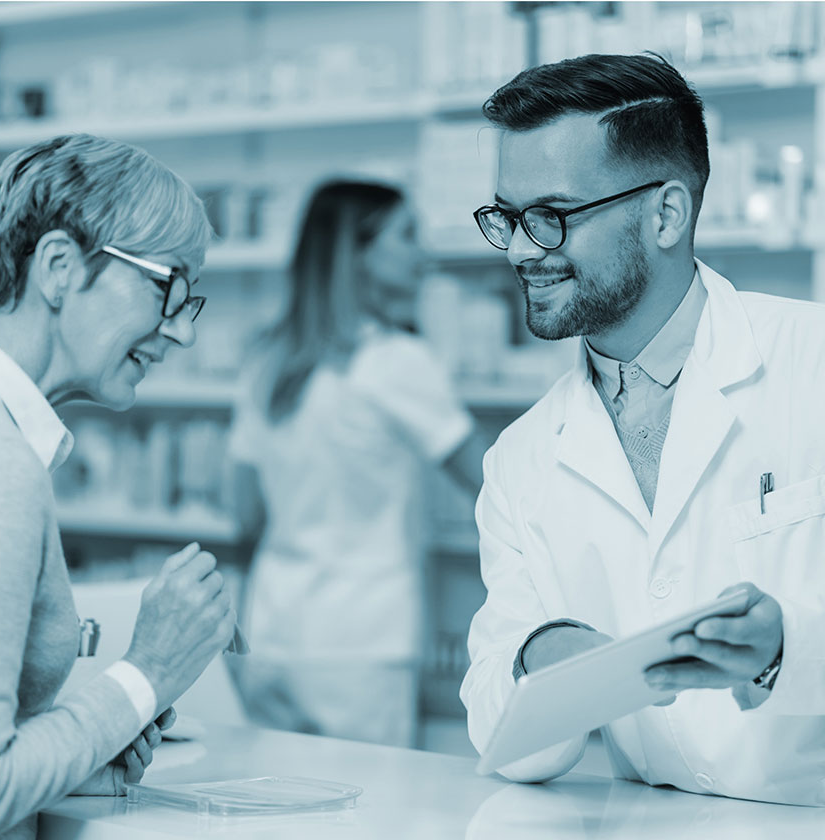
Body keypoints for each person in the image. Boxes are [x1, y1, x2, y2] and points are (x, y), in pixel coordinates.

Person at [461, 52, 825, 806]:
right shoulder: (522, 459)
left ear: (665, 214)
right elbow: (505, 743)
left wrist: (783, 647)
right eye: (508, 218)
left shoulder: (811, 364)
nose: (524, 249)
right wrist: (541, 660)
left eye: (552, 216)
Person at [0, 134, 237, 840]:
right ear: (59, 267)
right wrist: (148, 672)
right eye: (169, 288)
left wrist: (78, 751)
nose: (179, 332)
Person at [226, 179, 484, 747]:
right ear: (357, 253)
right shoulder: (395, 362)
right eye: (407, 236)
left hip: (273, 632)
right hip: (363, 645)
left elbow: (244, 513)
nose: (425, 254)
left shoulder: (266, 359)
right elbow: (492, 484)